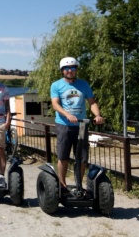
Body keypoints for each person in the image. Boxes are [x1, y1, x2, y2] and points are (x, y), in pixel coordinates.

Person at [51, 57, 104, 194]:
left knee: (82, 157)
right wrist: (67, 114)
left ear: (76, 70)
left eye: (73, 68)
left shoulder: (83, 84)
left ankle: (79, 186)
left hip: (81, 125)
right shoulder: (56, 85)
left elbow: (92, 102)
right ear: (62, 70)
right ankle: (62, 185)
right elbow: (55, 104)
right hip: (64, 125)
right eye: (67, 69)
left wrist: (97, 115)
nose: (70, 71)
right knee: (63, 156)